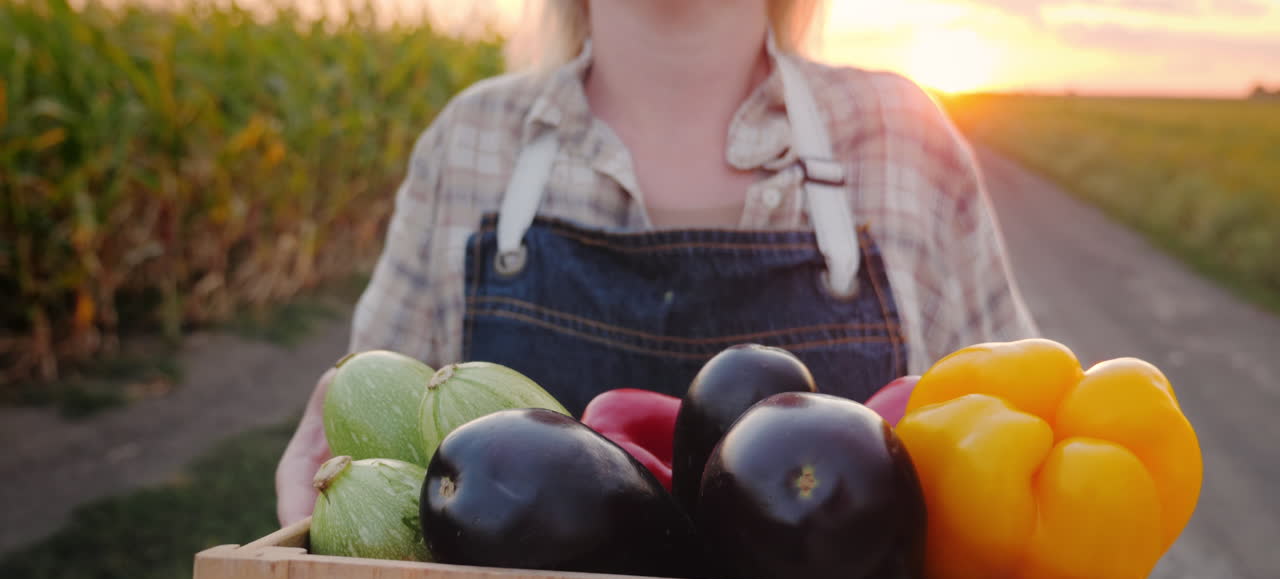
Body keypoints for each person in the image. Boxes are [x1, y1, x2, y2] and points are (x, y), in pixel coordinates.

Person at [276, 0, 1038, 527]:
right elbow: (377, 456)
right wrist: (331, 493)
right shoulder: (471, 142)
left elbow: (1023, 438)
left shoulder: (903, 139)